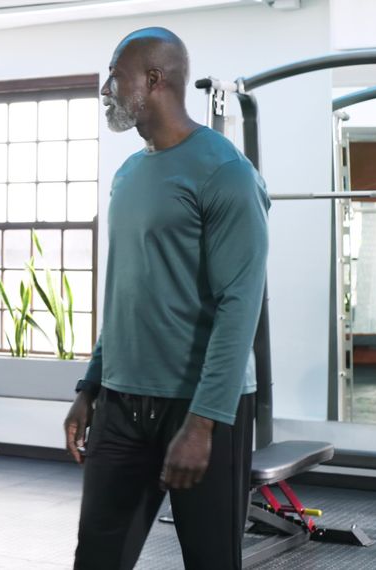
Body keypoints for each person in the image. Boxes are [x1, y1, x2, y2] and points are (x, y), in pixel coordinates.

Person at [62, 27, 268, 570]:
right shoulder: (129, 174)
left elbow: (239, 305)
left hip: (200, 405)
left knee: (210, 560)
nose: (106, 88)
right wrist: (90, 386)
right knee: (97, 557)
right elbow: (124, 292)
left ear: (153, 80)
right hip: (122, 402)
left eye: (115, 75)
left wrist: (202, 424)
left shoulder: (226, 173)